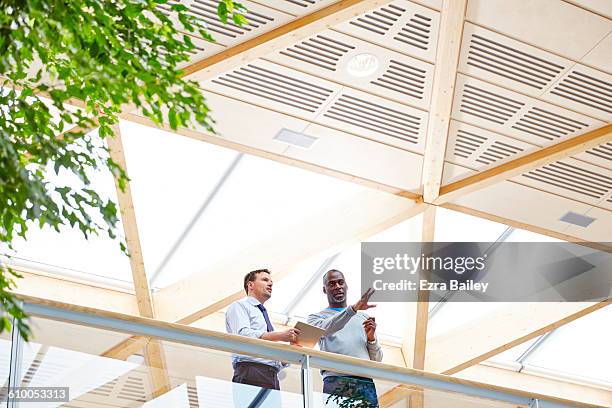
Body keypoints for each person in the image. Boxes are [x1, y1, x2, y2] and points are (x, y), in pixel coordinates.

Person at [308, 269, 382, 407]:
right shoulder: (316, 318)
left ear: (346, 286)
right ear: (324, 289)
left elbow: (377, 360)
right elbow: (327, 328)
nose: (337, 286)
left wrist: (372, 339)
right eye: (331, 284)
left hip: (365, 382)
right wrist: (352, 309)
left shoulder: (364, 318)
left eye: (341, 282)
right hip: (336, 381)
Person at [225, 269, 300, 392]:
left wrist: (289, 354)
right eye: (265, 280)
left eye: (271, 282)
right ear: (250, 285)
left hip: (271, 376)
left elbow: (269, 355)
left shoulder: (264, 316)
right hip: (251, 372)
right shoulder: (239, 306)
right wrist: (280, 336)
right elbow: (243, 335)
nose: (270, 284)